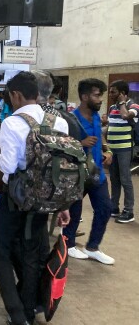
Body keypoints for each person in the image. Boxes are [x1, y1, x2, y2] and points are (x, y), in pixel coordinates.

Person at [0, 71, 70, 325]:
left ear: (15, 94)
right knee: (32, 254)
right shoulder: (59, 121)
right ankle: (29, 309)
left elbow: (9, 167)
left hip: (14, 199)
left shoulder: (13, 122)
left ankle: (16, 314)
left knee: (0, 252)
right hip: (45, 201)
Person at [63, 78, 115, 264]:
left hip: (97, 173)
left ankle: (92, 247)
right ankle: (68, 245)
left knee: (105, 208)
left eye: (100, 95)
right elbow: (61, 143)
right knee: (74, 212)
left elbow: (100, 134)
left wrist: (106, 150)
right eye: (96, 95)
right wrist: (81, 143)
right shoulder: (70, 118)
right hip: (77, 174)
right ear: (84, 97)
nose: (100, 99)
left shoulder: (94, 116)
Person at [107, 79, 138, 223]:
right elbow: (110, 125)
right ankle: (114, 207)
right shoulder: (112, 107)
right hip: (112, 149)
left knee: (125, 179)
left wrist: (121, 103)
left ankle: (129, 211)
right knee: (114, 179)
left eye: (113, 92)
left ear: (122, 93)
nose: (110, 94)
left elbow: (126, 116)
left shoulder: (133, 105)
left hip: (125, 149)